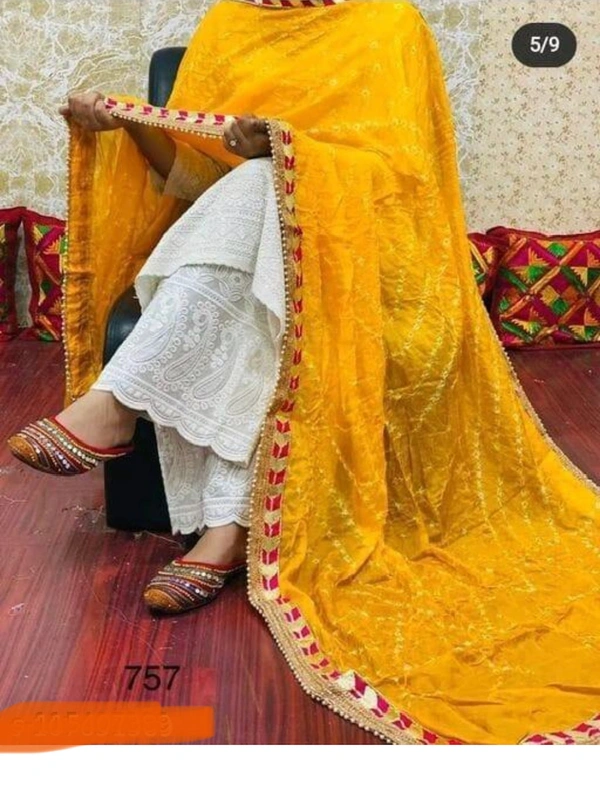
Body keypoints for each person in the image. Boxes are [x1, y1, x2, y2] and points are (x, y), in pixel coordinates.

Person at [8, 0, 600, 745]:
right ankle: (225, 528)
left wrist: (292, 154)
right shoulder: (227, 26)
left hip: (371, 249)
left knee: (264, 185)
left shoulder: (389, 26)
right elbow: (192, 180)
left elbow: (406, 179)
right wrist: (127, 125)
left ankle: (119, 405)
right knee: (254, 206)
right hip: (254, 243)